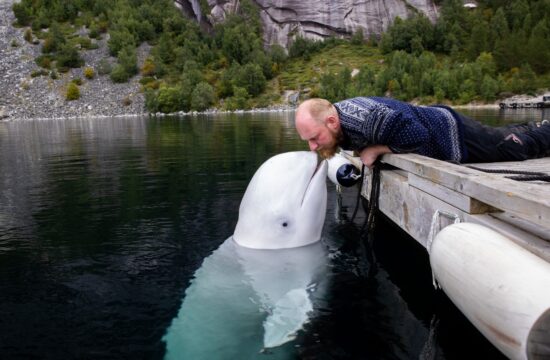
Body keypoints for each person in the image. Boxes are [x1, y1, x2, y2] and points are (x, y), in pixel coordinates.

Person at [294, 97, 550, 168]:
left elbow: (417, 136)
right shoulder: (340, 124)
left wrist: (376, 149)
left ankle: (544, 131)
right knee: (499, 137)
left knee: (514, 148)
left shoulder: (367, 121)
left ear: (332, 121)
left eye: (314, 138)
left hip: (452, 133)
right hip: (442, 127)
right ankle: (529, 127)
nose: (312, 147)